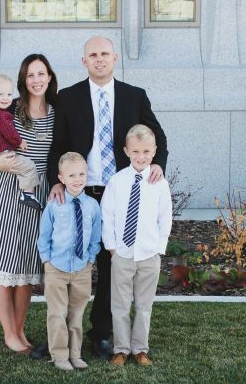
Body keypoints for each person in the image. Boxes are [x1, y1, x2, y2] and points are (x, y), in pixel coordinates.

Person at [46, 36, 168, 359]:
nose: (99, 59)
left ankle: (102, 333)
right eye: (92, 55)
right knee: (72, 263)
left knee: (111, 263)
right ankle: (63, 333)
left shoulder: (134, 96)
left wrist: (157, 167)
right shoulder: (68, 98)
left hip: (121, 195)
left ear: (114, 58)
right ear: (83, 61)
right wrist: (54, 183)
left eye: (104, 54)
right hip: (80, 194)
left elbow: (160, 139)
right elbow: (57, 146)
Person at [0, 54, 57, 353]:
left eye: (41, 73)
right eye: (30, 75)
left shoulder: (58, 112)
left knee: (27, 263)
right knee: (7, 260)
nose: (36, 80)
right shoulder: (9, 108)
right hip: (6, 188)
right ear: (23, 79)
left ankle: (19, 331)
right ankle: (9, 333)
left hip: (37, 191)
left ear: (49, 77)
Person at [101, 124, 172, 366]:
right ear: (126, 151)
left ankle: (140, 349)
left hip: (149, 253)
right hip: (122, 252)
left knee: (144, 305)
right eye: (135, 152)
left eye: (146, 152)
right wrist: (112, 247)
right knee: (119, 304)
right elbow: (107, 216)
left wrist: (159, 247)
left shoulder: (159, 183)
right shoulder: (117, 181)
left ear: (154, 152)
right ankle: (121, 349)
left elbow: (166, 217)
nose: (141, 157)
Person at [37, 152, 101, 371]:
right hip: (57, 267)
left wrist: (90, 260)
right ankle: (59, 356)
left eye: (82, 173)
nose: (77, 179)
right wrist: (47, 261)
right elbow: (43, 236)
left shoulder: (92, 205)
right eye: (71, 175)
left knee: (76, 315)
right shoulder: (55, 205)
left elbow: (95, 237)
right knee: (57, 313)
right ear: (61, 178)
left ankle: (75, 354)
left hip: (82, 268)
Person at [0, 73, 41, 210]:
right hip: (2, 152)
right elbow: (8, 131)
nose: (6, 98)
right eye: (0, 94)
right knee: (28, 166)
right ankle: (28, 194)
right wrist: (19, 142)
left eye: (9, 94)